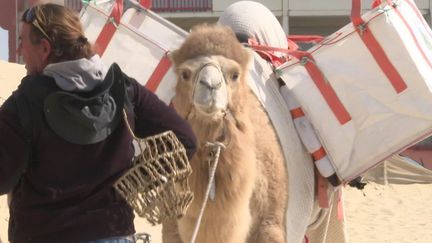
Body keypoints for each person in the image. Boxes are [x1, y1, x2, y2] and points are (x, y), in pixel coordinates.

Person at [0, 3, 196, 243]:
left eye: (22, 41)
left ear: (44, 48)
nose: (19, 50)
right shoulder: (123, 89)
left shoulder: (25, 102)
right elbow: (184, 139)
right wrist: (136, 178)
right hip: (114, 234)